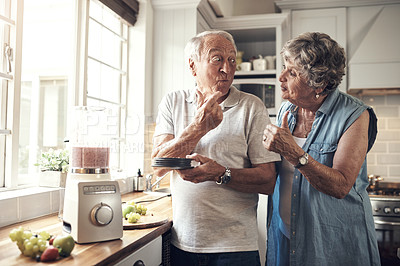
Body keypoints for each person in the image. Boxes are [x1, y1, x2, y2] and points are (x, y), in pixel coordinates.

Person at [152, 30, 280, 266]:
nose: (227, 68)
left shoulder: (252, 107)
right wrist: (198, 128)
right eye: (217, 59)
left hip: (236, 248)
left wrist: (221, 173)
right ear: (193, 66)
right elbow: (158, 165)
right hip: (183, 243)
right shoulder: (173, 102)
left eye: (232, 60)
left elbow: (268, 180)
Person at [262, 32, 380, 266]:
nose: (281, 77)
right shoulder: (287, 110)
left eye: (292, 72)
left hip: (334, 242)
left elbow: (341, 185)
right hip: (285, 236)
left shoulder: (354, 115)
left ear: (321, 84)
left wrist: (293, 152)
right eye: (285, 67)